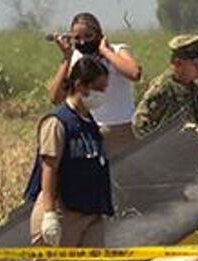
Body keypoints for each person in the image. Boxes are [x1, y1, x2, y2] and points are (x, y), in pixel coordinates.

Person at [0, 54, 115, 261]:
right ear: (80, 85)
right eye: (98, 89)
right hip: (61, 213)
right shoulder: (58, 122)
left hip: (91, 214)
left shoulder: (88, 122)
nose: (101, 96)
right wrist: (50, 214)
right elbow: (49, 169)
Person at [46, 13, 142, 157]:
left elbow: (134, 73)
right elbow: (56, 97)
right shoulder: (76, 59)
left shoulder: (117, 50)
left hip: (121, 129)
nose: (83, 42)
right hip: (89, 130)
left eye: (88, 36)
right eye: (77, 38)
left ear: (99, 34)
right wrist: (67, 58)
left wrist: (105, 51)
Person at [131, 34, 198, 138]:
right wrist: (162, 146)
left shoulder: (194, 88)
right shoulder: (164, 88)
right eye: (196, 65)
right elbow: (139, 124)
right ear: (178, 63)